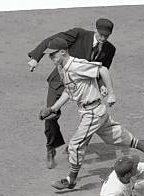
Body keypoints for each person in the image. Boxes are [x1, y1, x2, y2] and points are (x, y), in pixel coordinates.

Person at [39, 38, 144, 190]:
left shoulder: (76, 65)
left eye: (53, 54)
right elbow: (69, 91)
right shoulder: (61, 67)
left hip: (93, 112)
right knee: (115, 136)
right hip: (90, 111)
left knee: (76, 145)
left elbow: (102, 70)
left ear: (63, 52)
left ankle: (71, 180)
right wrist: (53, 108)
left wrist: (111, 93)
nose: (50, 57)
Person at [28, 18, 116, 169]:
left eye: (106, 36)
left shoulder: (110, 49)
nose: (103, 39)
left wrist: (102, 86)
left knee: (91, 116)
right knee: (51, 114)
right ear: (95, 29)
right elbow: (51, 40)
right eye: (101, 35)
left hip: (84, 87)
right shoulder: (78, 34)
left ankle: (77, 147)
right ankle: (51, 147)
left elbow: (102, 70)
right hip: (60, 81)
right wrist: (36, 58)